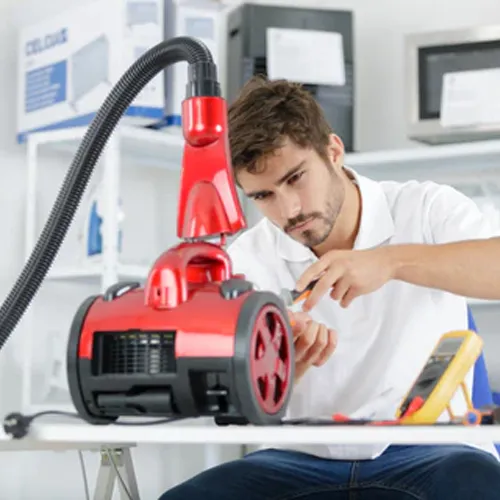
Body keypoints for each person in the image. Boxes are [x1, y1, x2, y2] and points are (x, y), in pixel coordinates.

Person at [159, 75, 500, 499]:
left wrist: (390, 262)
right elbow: (234, 405)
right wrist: (278, 372)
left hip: (429, 451)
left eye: (296, 178)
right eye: (263, 196)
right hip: (299, 458)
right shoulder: (247, 258)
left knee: (479, 486)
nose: (289, 210)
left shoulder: (426, 208)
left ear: (333, 152)